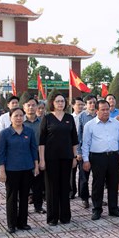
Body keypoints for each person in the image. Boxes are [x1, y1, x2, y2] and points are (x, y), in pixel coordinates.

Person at [81, 99, 119, 220]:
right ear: (97, 111)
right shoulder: (89, 125)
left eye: (107, 109)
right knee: (98, 184)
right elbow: (85, 144)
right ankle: (97, 209)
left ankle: (113, 209)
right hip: (97, 158)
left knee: (113, 184)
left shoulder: (116, 123)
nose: (106, 112)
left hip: (113, 157)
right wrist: (85, 160)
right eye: (103, 110)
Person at [39, 93, 78, 226]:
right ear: (52, 103)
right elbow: (41, 141)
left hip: (67, 157)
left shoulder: (69, 118)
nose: (60, 103)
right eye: (57, 101)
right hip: (51, 158)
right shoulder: (47, 118)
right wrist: (42, 160)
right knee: (51, 188)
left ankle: (65, 216)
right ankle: (52, 218)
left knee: (65, 187)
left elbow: (74, 140)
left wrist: (74, 157)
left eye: (62, 101)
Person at [0, 107, 38, 233]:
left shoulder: (29, 131)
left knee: (24, 196)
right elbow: (1, 153)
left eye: (21, 115)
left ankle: (23, 222)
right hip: (11, 170)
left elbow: (33, 149)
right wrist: (2, 171)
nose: (19, 118)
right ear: (10, 118)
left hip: (27, 169)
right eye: (16, 116)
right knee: (12, 197)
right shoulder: (5, 133)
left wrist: (36, 166)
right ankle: (11, 224)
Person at [23, 98, 46, 215]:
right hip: (24, 155)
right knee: (24, 183)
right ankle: (23, 208)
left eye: (33, 105)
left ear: (37, 107)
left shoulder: (43, 122)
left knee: (38, 182)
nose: (31, 107)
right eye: (28, 105)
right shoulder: (19, 121)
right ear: (24, 107)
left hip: (39, 153)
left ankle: (38, 206)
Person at [76, 95, 98, 208]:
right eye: (90, 102)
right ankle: (84, 198)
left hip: (98, 152)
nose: (92, 104)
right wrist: (78, 152)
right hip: (85, 152)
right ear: (86, 104)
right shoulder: (81, 117)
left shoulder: (100, 115)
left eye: (94, 102)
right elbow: (78, 135)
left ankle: (96, 198)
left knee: (98, 177)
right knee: (84, 177)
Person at [70, 97, 86, 200]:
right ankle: (71, 192)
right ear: (73, 105)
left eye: (82, 104)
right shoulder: (69, 117)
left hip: (82, 147)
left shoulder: (85, 117)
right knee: (72, 171)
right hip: (71, 147)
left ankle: (82, 192)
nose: (80, 106)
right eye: (78, 104)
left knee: (83, 172)